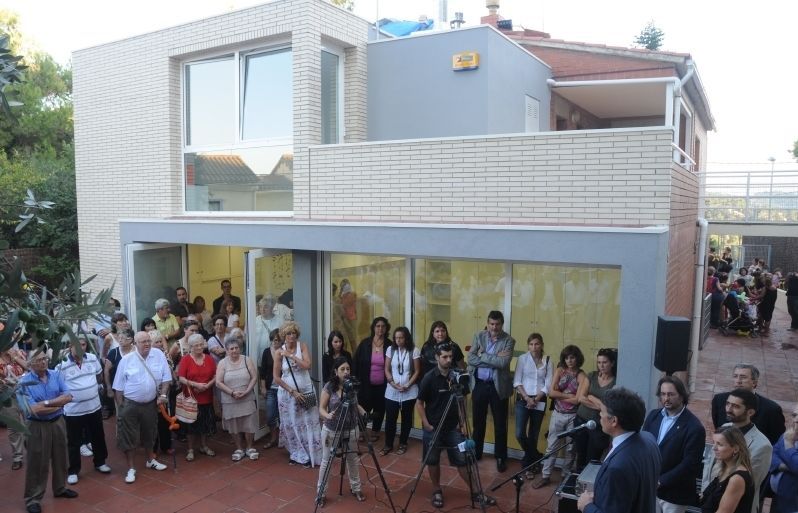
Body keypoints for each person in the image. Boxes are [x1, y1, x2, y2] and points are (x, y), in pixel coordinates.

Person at [416, 343, 496, 509]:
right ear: (437, 357)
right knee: (432, 459)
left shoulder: (457, 376)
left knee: (463, 460)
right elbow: (419, 402)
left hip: (454, 428)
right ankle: (437, 490)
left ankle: (477, 492)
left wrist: (463, 422)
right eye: (444, 357)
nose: (448, 360)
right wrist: (425, 423)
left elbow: (463, 399)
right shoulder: (429, 377)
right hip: (434, 427)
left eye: (450, 357)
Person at [577, 387, 661, 513]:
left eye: (602, 411)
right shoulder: (649, 439)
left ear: (614, 421)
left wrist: (587, 506)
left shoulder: (617, 467)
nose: (600, 414)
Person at [18, 351, 79, 513]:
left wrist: (45, 403)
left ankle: (60, 488)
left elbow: (68, 397)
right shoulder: (24, 382)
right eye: (38, 360)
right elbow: (33, 410)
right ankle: (33, 499)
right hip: (37, 427)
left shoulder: (56, 375)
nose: (43, 362)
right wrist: (57, 403)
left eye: (44, 358)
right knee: (37, 463)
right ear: (30, 363)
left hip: (58, 423)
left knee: (61, 458)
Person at [112, 331, 171, 483]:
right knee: (129, 437)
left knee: (150, 434)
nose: (147, 344)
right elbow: (118, 388)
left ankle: (150, 460)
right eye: (143, 342)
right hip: (130, 404)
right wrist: (121, 408)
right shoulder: (126, 360)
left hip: (151, 404)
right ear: (135, 344)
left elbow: (166, 377)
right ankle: (131, 468)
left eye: (148, 341)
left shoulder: (158, 354)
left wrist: (163, 395)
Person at [642, 376, 706, 513]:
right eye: (663, 394)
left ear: (682, 396)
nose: (666, 398)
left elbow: (690, 463)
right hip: (650, 488)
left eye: (671, 394)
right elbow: (643, 444)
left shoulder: (694, 427)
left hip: (674, 495)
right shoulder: (653, 415)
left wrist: (661, 481)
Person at [703, 389, 772, 513]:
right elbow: (709, 463)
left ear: (750, 412)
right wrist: (706, 492)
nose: (728, 409)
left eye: (735, 406)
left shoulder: (763, 445)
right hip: (711, 499)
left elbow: (750, 482)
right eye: (728, 404)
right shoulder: (725, 428)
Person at [54, 335, 111, 485]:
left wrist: (95, 388)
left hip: (94, 407)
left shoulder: (92, 358)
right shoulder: (62, 364)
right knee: (73, 441)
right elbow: (58, 386)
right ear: (70, 346)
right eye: (77, 345)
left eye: (84, 344)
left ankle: (100, 462)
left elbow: (99, 375)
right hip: (73, 410)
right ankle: (73, 470)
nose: (81, 347)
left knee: (98, 436)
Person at [467, 310, 516, 472]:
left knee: (500, 423)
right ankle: (477, 452)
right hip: (480, 384)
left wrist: (483, 355)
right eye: (491, 324)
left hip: (498, 387)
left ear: (502, 324)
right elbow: (470, 358)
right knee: (478, 422)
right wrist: (493, 358)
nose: (494, 327)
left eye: (497, 324)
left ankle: (501, 457)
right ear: (487, 323)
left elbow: (503, 363)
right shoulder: (479, 336)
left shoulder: (509, 340)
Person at [533, 345, 587, 489]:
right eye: (566, 358)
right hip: (558, 414)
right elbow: (552, 393)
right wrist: (568, 395)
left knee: (570, 448)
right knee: (552, 446)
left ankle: (566, 476)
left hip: (573, 416)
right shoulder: (560, 370)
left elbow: (577, 400)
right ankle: (545, 476)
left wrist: (561, 395)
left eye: (572, 357)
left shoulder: (581, 375)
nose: (569, 361)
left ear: (577, 358)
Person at [316, 357, 367, 506]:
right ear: (335, 371)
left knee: (352, 459)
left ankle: (356, 488)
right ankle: (321, 494)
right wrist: (327, 415)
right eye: (342, 369)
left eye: (348, 369)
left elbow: (356, 405)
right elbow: (321, 408)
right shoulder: (329, 387)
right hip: (332, 429)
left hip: (351, 428)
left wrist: (364, 413)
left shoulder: (351, 386)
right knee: (327, 462)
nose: (346, 372)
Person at [272, 321, 322, 468]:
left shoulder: (303, 346)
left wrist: (291, 356)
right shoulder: (278, 351)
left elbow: (307, 365)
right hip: (288, 394)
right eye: (288, 333)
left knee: (309, 422)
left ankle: (313, 452)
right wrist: (292, 391)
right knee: (292, 424)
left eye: (293, 333)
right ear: (283, 336)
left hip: (306, 390)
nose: (291, 336)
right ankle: (297, 453)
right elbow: (276, 377)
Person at [710, 364, 785, 445]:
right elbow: (718, 426)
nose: (738, 381)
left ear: (754, 382)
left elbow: (778, 441)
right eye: (735, 376)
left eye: (743, 377)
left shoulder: (771, 409)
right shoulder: (719, 400)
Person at [513, 333, 553, 475]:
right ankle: (535, 455)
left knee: (533, 434)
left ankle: (528, 465)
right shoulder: (523, 359)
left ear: (541, 345)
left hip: (540, 399)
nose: (534, 347)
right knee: (519, 433)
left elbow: (548, 384)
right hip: (523, 398)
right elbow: (517, 381)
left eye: (536, 344)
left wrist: (535, 399)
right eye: (531, 344)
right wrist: (527, 398)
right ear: (528, 346)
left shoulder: (548, 360)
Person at [216, 335, 259, 461]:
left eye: (236, 348)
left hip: (247, 397)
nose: (234, 350)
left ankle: (250, 447)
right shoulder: (222, 363)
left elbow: (254, 377)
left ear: (240, 348)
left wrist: (247, 391)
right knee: (233, 424)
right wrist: (232, 392)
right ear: (227, 350)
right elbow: (218, 382)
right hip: (230, 399)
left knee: (249, 423)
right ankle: (239, 448)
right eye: (231, 349)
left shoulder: (247, 360)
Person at [574, 347, 617, 472]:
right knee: (580, 456)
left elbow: (608, 408)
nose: (601, 366)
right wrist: (600, 405)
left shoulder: (615, 382)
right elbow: (581, 398)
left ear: (612, 363)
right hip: (581, 420)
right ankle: (578, 483)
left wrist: (592, 397)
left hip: (599, 427)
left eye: (604, 362)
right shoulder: (591, 375)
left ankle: (589, 487)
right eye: (599, 362)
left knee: (592, 459)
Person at [177, 333, 217, 462]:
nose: (200, 347)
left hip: (207, 396)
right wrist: (195, 384)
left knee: (205, 424)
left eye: (201, 344)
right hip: (191, 399)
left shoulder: (209, 359)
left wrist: (208, 385)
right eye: (197, 345)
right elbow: (181, 378)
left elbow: (216, 375)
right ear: (191, 347)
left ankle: (204, 446)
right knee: (191, 426)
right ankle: (190, 449)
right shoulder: (186, 359)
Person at [382, 326, 421, 456]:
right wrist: (392, 383)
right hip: (392, 390)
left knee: (406, 419)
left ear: (406, 338)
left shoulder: (414, 350)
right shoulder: (390, 349)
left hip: (409, 391)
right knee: (390, 419)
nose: (398, 340)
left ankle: (403, 443)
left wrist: (408, 384)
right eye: (396, 338)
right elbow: (386, 369)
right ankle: (388, 444)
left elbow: (417, 371)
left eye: (401, 338)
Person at [353, 316, 391, 442]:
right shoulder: (365, 344)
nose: (380, 329)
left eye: (383, 326)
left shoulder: (390, 345)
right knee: (363, 407)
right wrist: (355, 381)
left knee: (380, 408)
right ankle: (362, 431)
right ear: (374, 328)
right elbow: (356, 363)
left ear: (386, 329)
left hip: (383, 385)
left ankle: (375, 431)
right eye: (378, 326)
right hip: (365, 384)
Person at [700, 426, 755, 513]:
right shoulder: (725, 469)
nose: (714, 448)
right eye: (714, 443)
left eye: (720, 444)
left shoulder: (737, 478)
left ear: (736, 449)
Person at [149, 330, 175, 457]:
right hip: (150, 392)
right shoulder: (146, 356)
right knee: (152, 422)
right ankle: (153, 448)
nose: (159, 344)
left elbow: (170, 370)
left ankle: (166, 446)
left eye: (160, 341)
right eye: (156, 342)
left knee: (164, 420)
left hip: (164, 391)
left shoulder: (165, 354)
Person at [0, 346, 27, 471]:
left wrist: (15, 356)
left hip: (24, 392)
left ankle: (33, 447)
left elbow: (29, 368)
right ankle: (18, 457)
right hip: (7, 395)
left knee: (31, 420)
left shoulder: (19, 353)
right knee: (14, 426)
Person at [768, 405, 798, 513]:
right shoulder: (789, 433)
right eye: (794, 415)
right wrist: (785, 466)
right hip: (778, 497)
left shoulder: (789, 438)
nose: (796, 419)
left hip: (793, 504)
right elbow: (772, 455)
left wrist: (789, 445)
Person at [260, 329, 281, 450]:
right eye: (272, 340)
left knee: (283, 416)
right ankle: (273, 438)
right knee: (270, 415)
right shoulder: (267, 352)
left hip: (283, 389)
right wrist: (263, 387)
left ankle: (283, 439)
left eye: (277, 340)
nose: (274, 342)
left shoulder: (285, 352)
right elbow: (263, 371)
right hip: (271, 389)